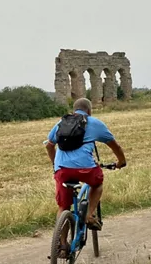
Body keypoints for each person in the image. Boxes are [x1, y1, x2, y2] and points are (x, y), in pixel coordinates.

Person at [45, 98, 126, 246]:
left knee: (63, 206)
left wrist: (54, 165)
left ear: (74, 109)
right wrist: (121, 162)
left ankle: (61, 245)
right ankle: (89, 215)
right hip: (86, 169)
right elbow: (116, 146)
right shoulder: (94, 123)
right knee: (97, 184)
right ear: (89, 110)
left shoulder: (61, 123)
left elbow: (49, 146)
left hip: (62, 170)